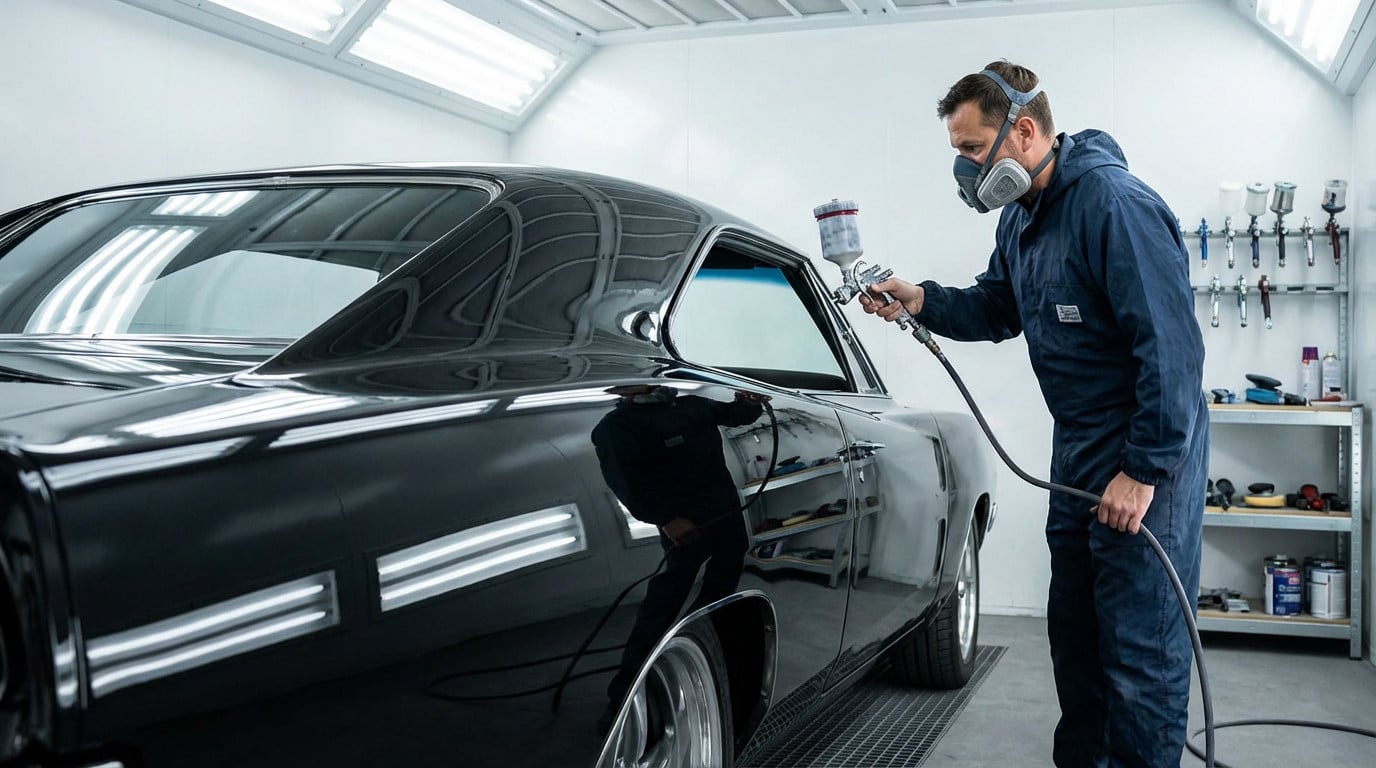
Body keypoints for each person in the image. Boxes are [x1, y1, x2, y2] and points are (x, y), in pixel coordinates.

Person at [860, 61, 1207, 768]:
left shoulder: (1115, 204)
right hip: (1078, 446)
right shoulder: (1022, 221)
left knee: (1140, 651)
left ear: (1022, 131)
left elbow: (1171, 353)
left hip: (1146, 453)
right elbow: (996, 308)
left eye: (967, 149)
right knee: (1077, 641)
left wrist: (1141, 472)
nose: (962, 169)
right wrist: (920, 298)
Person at [590, 384, 765, 733]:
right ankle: (624, 696)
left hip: (725, 512)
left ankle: (701, 647)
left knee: (724, 582)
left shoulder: (693, 405)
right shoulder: (616, 427)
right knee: (666, 599)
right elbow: (625, 481)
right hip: (684, 522)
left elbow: (733, 416)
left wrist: (749, 404)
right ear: (621, 389)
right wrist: (665, 518)